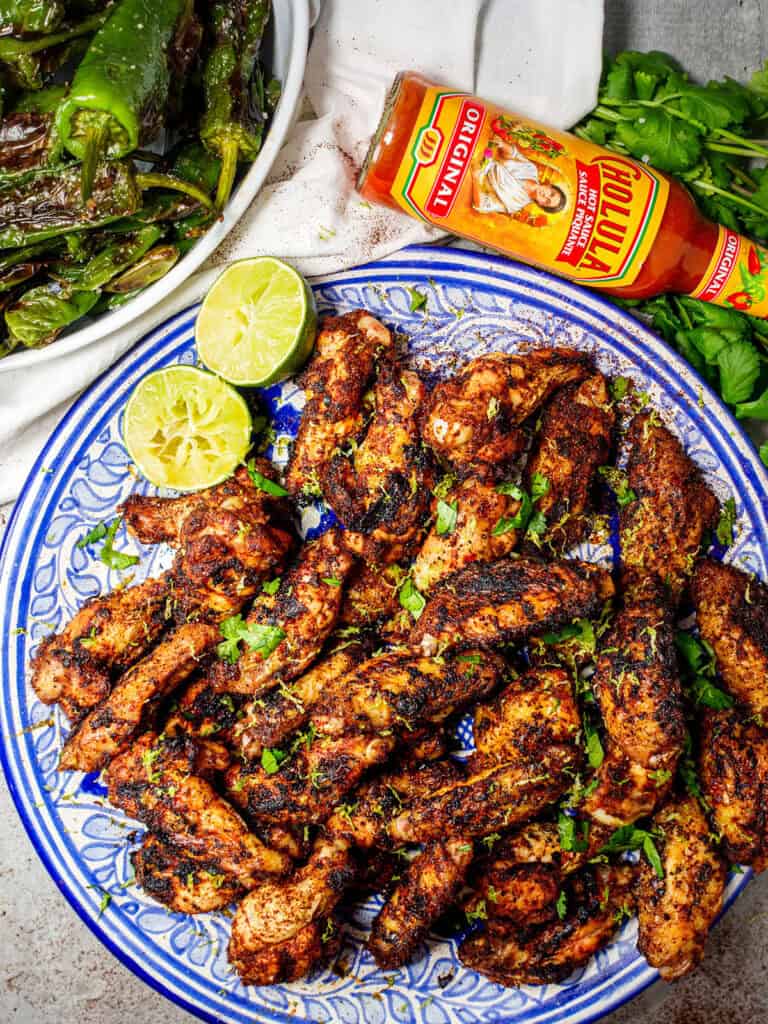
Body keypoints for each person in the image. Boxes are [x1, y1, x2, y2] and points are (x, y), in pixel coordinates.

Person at [472, 137, 566, 217]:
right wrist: (502, 144)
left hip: (470, 173)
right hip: (483, 149)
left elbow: (480, 204)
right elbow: (513, 154)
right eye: (551, 194)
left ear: (541, 204)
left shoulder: (515, 205)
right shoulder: (531, 169)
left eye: (547, 201)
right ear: (549, 186)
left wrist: (475, 178)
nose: (546, 196)